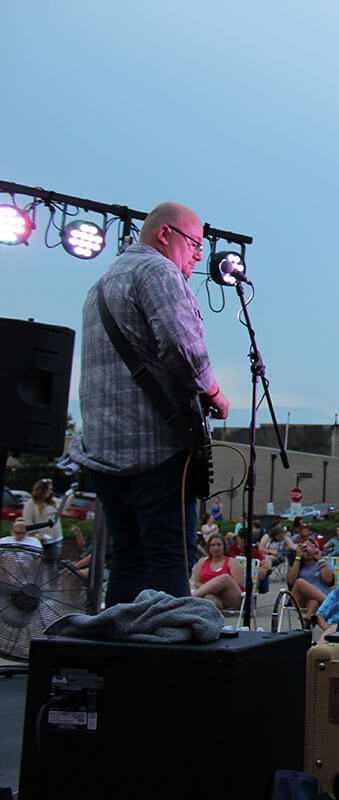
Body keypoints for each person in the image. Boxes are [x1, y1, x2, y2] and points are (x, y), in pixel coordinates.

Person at [67, 202, 230, 605]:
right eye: (194, 245)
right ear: (165, 234)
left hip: (104, 452)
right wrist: (213, 392)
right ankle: (167, 657)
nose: (197, 257)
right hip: (155, 452)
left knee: (128, 559)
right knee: (169, 557)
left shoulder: (102, 284)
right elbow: (180, 347)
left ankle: (123, 654)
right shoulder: (158, 271)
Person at [190, 532, 244, 610]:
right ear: (208, 547)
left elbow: (239, 584)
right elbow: (197, 583)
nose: (216, 548)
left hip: (230, 597)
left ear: (224, 546)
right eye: (212, 545)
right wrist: (210, 589)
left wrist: (217, 587)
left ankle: (191, 597)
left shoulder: (232, 562)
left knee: (225, 578)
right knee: (208, 598)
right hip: (213, 597)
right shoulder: (202, 562)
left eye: (219, 545)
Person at [287, 538, 334, 621]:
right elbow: (290, 581)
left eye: (310, 548)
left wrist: (320, 559)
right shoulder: (297, 564)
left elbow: (328, 580)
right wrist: (298, 557)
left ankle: (307, 626)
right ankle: (329, 604)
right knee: (299, 582)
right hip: (300, 600)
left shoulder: (322, 563)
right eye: (304, 549)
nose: (307, 551)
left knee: (314, 603)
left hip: (317, 600)